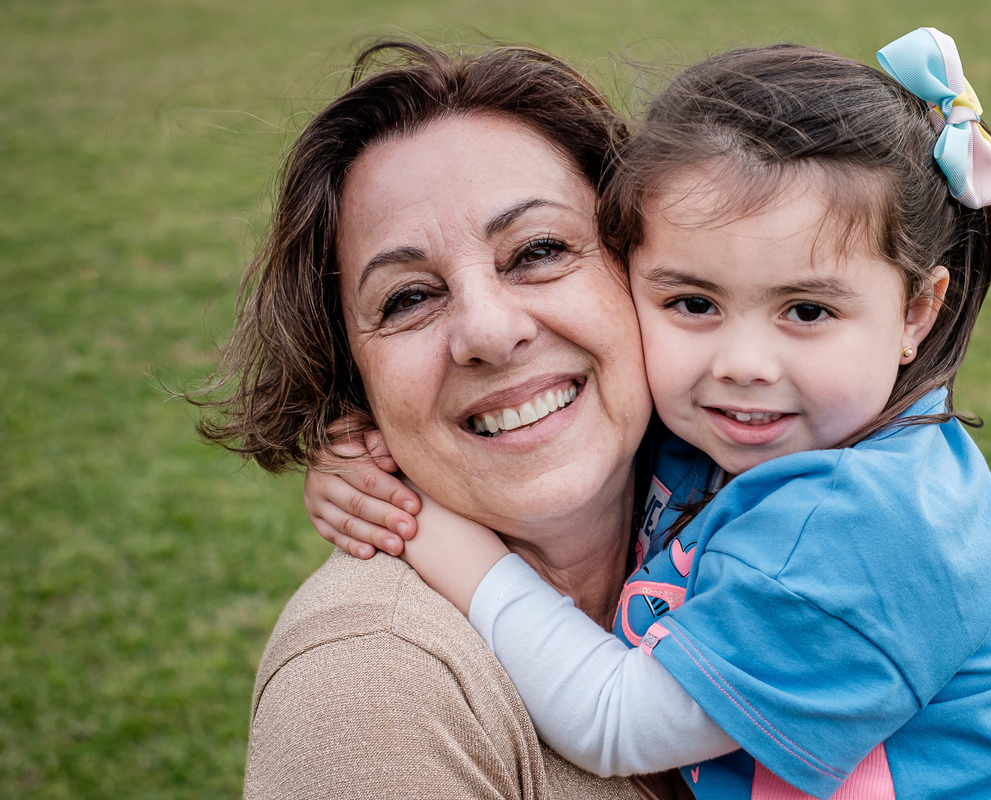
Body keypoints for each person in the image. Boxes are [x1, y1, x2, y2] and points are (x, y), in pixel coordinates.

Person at [307, 30, 991, 799]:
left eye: (807, 311)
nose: (741, 364)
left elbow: (616, 721)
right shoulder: (733, 431)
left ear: (916, 312)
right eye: (693, 303)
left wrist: (423, 523)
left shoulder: (873, 525)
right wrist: (362, 456)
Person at [191, 38, 694, 800]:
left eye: (538, 250)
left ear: (647, 272)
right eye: (409, 299)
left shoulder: (776, 495)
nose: (489, 331)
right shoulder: (372, 686)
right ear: (352, 379)